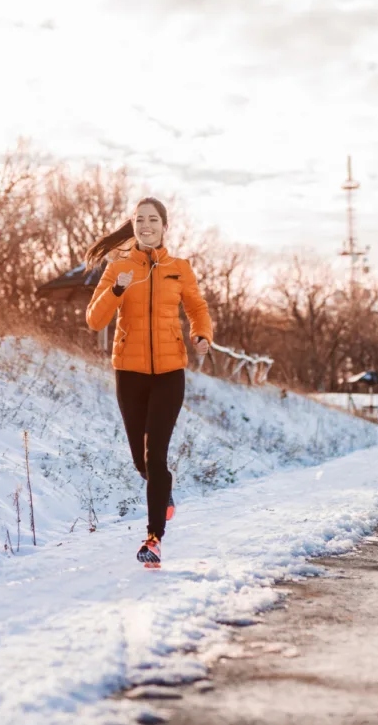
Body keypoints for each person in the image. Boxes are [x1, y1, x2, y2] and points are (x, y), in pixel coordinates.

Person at [85, 197, 213, 568]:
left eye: (153, 219)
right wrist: (116, 290)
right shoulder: (119, 267)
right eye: (139, 219)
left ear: (164, 225)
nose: (146, 225)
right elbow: (94, 320)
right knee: (140, 460)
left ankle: (154, 538)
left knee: (155, 455)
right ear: (133, 225)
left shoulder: (179, 268)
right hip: (129, 371)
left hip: (171, 372)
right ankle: (164, 493)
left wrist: (201, 334)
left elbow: (197, 308)